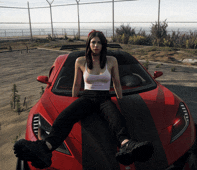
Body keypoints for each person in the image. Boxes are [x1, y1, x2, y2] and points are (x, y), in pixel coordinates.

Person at [13, 30, 154, 169]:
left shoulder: (112, 61)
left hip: (104, 98)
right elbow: (76, 84)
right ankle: (46, 147)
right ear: (89, 44)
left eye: (99, 42)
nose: (96, 45)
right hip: (87, 97)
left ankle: (126, 144)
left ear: (103, 45)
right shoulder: (80, 61)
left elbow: (117, 83)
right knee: (65, 117)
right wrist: (72, 102)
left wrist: (120, 99)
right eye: (93, 42)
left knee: (116, 118)